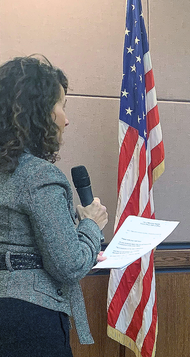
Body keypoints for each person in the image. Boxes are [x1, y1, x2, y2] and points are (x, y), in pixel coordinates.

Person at [0, 56, 109, 357]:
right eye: (61, 106)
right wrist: (90, 224)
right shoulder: (40, 175)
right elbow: (69, 264)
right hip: (30, 320)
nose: (66, 118)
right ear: (39, 112)